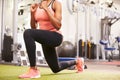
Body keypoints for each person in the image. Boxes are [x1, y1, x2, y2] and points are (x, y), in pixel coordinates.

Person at [19, 0, 84, 79]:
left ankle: (33, 70)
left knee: (27, 32)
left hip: (56, 37)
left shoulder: (56, 3)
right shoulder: (38, 6)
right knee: (56, 68)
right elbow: (34, 28)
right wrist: (32, 13)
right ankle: (77, 61)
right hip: (45, 39)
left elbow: (58, 25)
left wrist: (46, 9)